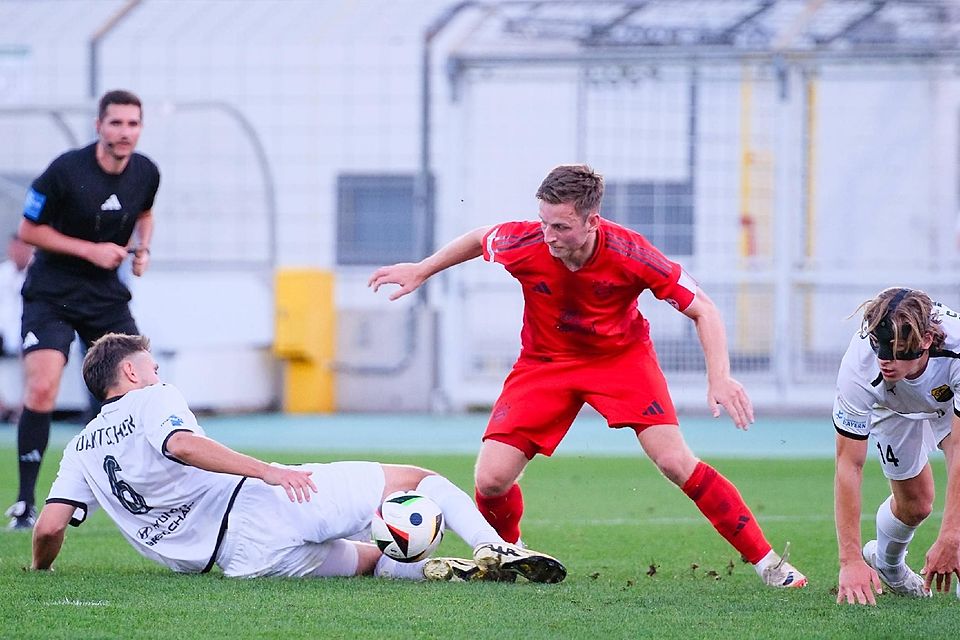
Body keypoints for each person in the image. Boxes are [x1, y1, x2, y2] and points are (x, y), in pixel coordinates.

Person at [369, 164, 807, 589]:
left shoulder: (631, 253)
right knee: (490, 480)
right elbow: (479, 237)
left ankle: (769, 563)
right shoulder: (525, 241)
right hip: (545, 362)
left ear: (592, 221)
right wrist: (421, 269)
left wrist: (720, 378)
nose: (548, 236)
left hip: (621, 360)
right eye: (544, 222)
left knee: (675, 462)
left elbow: (704, 309)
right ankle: (512, 552)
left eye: (560, 227)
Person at [31, 332, 566, 584]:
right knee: (418, 480)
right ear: (130, 375)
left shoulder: (79, 449)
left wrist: (40, 571)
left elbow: (51, 526)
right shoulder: (155, 397)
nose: (156, 373)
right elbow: (181, 446)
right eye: (149, 367)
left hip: (241, 564)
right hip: (264, 503)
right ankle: (495, 547)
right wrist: (268, 470)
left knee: (366, 560)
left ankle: (440, 573)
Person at [6, 89, 159, 530]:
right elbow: (28, 230)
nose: (124, 132)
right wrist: (90, 251)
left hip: (106, 298)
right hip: (51, 294)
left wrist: (144, 248)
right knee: (41, 390)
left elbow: (145, 213)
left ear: (140, 128)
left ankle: (120, 491)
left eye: (132, 124)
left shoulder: (146, 172)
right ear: (99, 126)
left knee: (134, 393)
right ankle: (24, 503)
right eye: (116, 123)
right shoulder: (65, 171)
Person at [834, 287, 960, 605]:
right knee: (917, 504)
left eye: (900, 351)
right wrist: (849, 561)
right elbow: (849, 464)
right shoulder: (860, 368)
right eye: (879, 348)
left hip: (948, 399)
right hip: (892, 405)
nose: (885, 362)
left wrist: (951, 535)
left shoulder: (956, 351)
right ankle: (889, 566)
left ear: (927, 341)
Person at [0, 234, 33, 421]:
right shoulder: (3, 273)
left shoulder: (38, 273)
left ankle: (25, 408)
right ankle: (2, 407)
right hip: (4, 331)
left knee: (31, 354)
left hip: (28, 329)